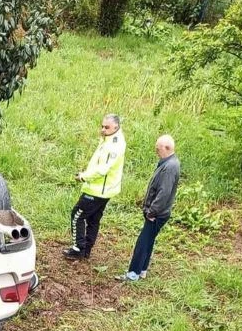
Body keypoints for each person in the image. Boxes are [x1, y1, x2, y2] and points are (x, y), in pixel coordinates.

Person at [117, 135, 181, 282]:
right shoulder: (170, 163)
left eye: (158, 149)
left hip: (157, 214)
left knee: (142, 242)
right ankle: (142, 270)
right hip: (159, 212)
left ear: (167, 148)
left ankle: (133, 273)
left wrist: (152, 211)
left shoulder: (169, 167)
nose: (156, 151)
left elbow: (164, 193)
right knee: (148, 241)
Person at [63, 114, 126, 260]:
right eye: (102, 126)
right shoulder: (110, 138)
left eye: (106, 127)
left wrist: (83, 176)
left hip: (97, 190)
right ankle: (86, 249)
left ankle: (78, 249)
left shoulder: (114, 146)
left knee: (77, 215)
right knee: (93, 219)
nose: (103, 129)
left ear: (116, 127)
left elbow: (102, 169)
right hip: (105, 190)